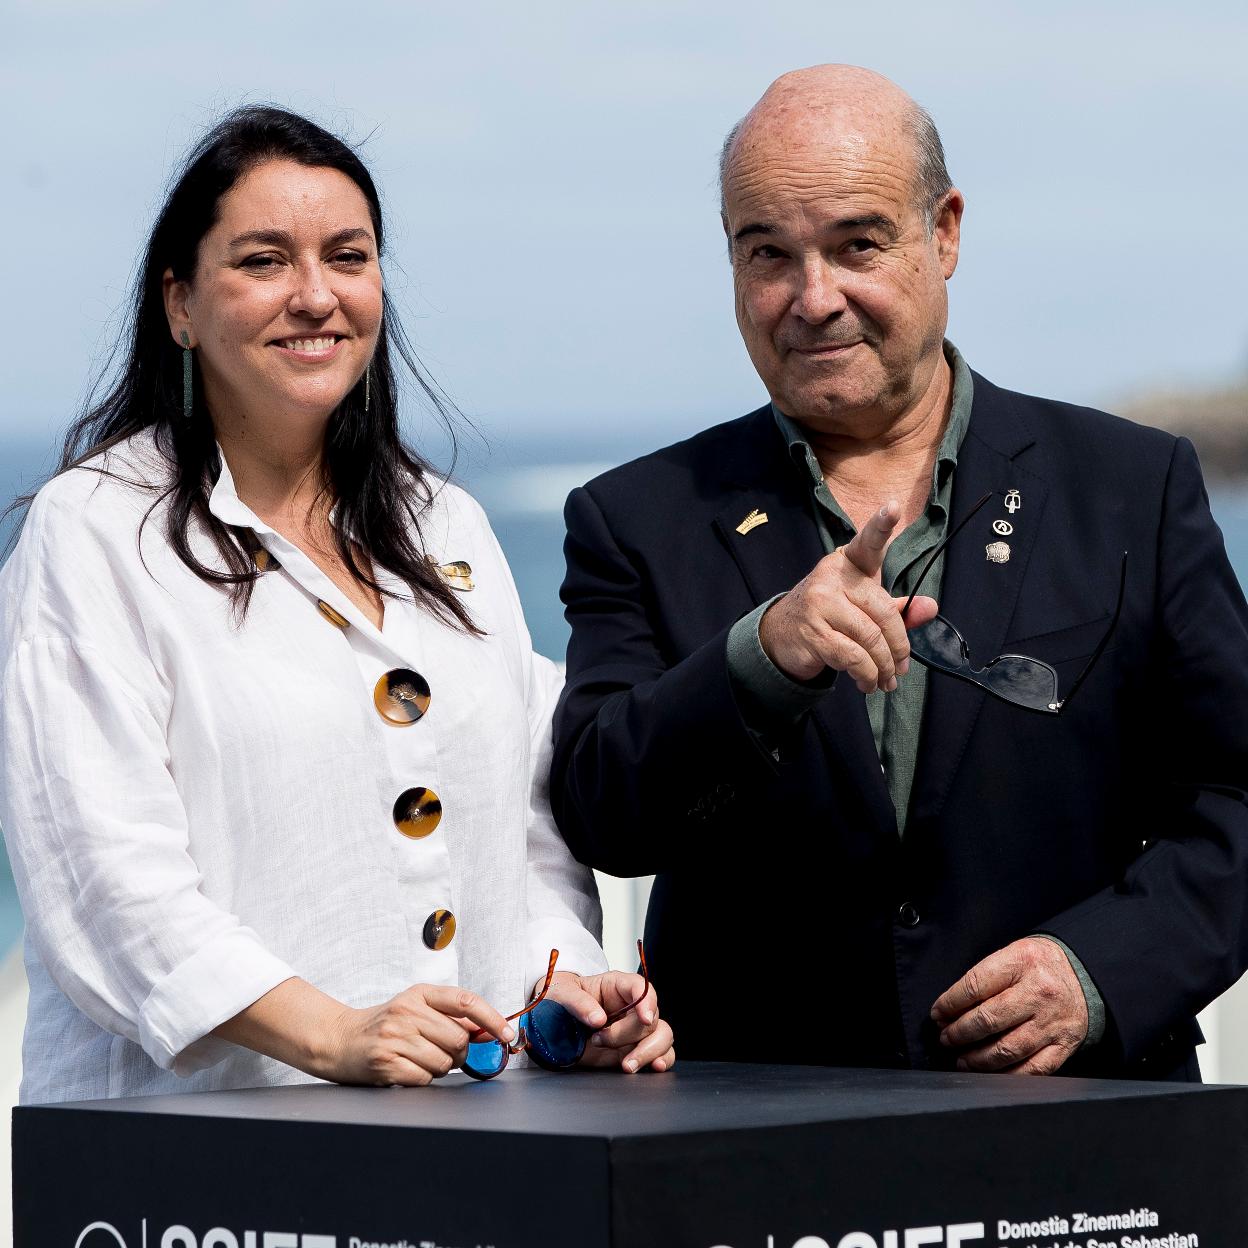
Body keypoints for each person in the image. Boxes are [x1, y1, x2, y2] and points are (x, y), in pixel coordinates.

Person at [550, 65, 1248, 1080]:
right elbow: (601, 813)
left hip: (1086, 1131)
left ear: (945, 232)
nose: (813, 298)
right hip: (751, 1133)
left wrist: (1099, 974)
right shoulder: (635, 517)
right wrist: (761, 657)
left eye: (857, 245)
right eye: (768, 254)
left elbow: (1234, 796)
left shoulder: (1133, 487)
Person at [0, 106, 673, 1104]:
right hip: (191, 1152)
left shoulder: (445, 523)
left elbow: (527, 824)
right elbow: (104, 885)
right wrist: (335, 1034)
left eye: (347, 257)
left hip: (468, 1132)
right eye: (264, 261)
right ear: (180, 304)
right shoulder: (96, 531)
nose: (316, 295)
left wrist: (560, 988)